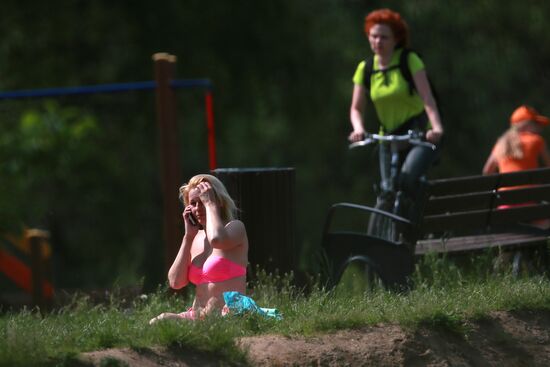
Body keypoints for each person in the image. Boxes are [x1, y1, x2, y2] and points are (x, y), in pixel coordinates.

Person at [348, 8, 444, 220]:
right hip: (388, 137)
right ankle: (388, 239)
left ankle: (423, 224)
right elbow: (356, 108)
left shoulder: (409, 61)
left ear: (396, 39)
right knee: (387, 189)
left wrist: (435, 127)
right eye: (373, 36)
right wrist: (359, 129)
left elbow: (428, 99)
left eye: (384, 37)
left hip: (418, 135)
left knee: (407, 180)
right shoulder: (365, 69)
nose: (378, 41)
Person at [149, 174, 248, 323]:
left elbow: (216, 239)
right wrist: (188, 237)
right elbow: (175, 282)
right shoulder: (196, 238)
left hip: (229, 314)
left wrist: (210, 205)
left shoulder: (235, 228)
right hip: (198, 316)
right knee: (159, 320)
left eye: (203, 201)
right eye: (193, 203)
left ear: (218, 201)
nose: (198, 208)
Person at [483, 105, 550, 175]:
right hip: (531, 186)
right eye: (536, 124)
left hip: (504, 186)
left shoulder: (501, 143)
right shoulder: (536, 140)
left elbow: (487, 170)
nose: (539, 128)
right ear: (526, 125)